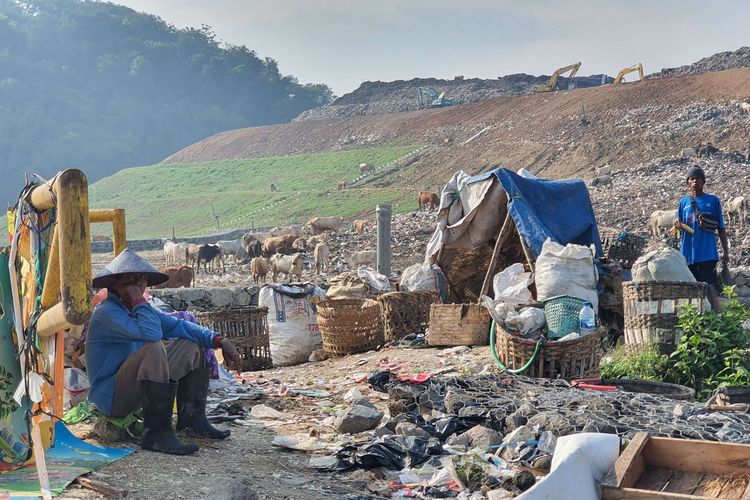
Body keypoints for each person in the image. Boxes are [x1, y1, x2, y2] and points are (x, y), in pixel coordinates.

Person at [86, 249, 242, 455]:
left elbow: (180, 326)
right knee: (153, 347)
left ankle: (192, 422)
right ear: (115, 284)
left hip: (137, 391)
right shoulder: (107, 313)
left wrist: (220, 340)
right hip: (112, 398)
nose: (139, 285)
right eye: (131, 280)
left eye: (142, 279)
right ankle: (156, 434)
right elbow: (151, 335)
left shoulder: (138, 309)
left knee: (191, 344)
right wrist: (137, 299)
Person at [673, 165, 729, 310]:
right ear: (687, 183)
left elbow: (721, 228)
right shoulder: (683, 203)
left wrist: (726, 253)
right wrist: (678, 225)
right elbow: (678, 227)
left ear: (703, 181)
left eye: (698, 178)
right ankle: (697, 321)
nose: (695, 181)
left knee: (709, 287)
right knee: (691, 288)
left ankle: (716, 317)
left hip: (707, 253)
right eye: (691, 178)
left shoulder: (713, 201)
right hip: (688, 254)